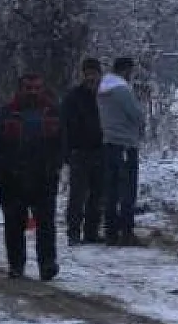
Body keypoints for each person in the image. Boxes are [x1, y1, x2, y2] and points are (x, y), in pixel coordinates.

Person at [0, 71, 64, 280]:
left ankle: (47, 264)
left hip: (44, 178)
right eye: (28, 88)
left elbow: (63, 143)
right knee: (14, 224)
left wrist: (56, 165)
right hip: (12, 179)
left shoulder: (52, 112)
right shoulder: (7, 113)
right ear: (20, 89)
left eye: (37, 88)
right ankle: (16, 265)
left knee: (46, 224)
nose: (33, 92)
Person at [97, 56, 146, 244]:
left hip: (109, 142)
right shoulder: (122, 90)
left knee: (111, 190)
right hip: (126, 143)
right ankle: (126, 232)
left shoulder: (103, 90)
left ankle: (110, 232)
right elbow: (136, 115)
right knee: (127, 190)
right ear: (126, 70)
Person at [61, 57, 105, 245]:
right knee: (77, 195)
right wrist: (66, 152)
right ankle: (73, 232)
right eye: (88, 73)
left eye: (94, 73)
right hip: (79, 152)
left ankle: (91, 232)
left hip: (100, 151)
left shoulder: (105, 96)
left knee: (97, 195)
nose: (91, 77)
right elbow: (63, 127)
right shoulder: (73, 98)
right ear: (83, 74)